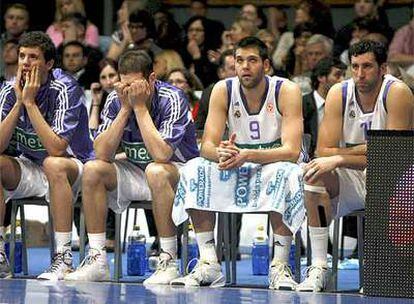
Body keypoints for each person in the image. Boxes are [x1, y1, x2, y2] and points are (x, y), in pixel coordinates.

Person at [170, 37, 305, 289]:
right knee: (193, 169)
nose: (244, 66)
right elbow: (207, 146)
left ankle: (280, 265)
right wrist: (222, 153)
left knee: (286, 173)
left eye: (252, 60)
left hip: (274, 161)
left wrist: (248, 155)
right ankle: (209, 262)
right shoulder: (222, 89)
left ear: (266, 65)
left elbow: (292, 151)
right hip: (239, 161)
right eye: (240, 61)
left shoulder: (286, 90)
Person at [64, 50, 199, 282]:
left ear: (152, 79)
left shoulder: (173, 98)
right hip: (138, 171)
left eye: (136, 85)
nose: (130, 91)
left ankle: (168, 260)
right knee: (93, 169)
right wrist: (126, 108)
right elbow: (102, 153)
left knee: (156, 170)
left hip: (178, 173)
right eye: (125, 85)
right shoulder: (117, 100)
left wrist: (139, 108)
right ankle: (97, 258)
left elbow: (161, 154)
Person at [297, 40, 414, 292]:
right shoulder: (339, 93)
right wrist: (348, 155)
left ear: (383, 68)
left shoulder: (397, 92)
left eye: (367, 66)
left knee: (378, 169)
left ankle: (380, 269)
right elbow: (323, 151)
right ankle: (319, 267)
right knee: (315, 174)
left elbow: (392, 154)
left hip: (398, 179)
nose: (360, 74)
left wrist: (340, 157)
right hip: (354, 175)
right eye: (355, 67)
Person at [0, 31, 94, 280]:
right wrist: (20, 102)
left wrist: (30, 104)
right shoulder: (10, 90)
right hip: (32, 165)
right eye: (22, 56)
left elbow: (57, 148)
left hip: (74, 168)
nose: (25, 63)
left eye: (33, 57)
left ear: (49, 64)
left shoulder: (66, 88)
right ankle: (0, 257)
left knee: (54, 163)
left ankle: (63, 259)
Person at [303, 57, 346, 158]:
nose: (343, 80)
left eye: (344, 75)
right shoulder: (302, 105)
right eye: (337, 75)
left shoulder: (347, 104)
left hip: (338, 158)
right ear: (321, 77)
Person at [0, 3, 30, 79]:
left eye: (20, 18)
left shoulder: (33, 46)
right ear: (5, 20)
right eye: (10, 17)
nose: (14, 22)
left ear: (27, 24)